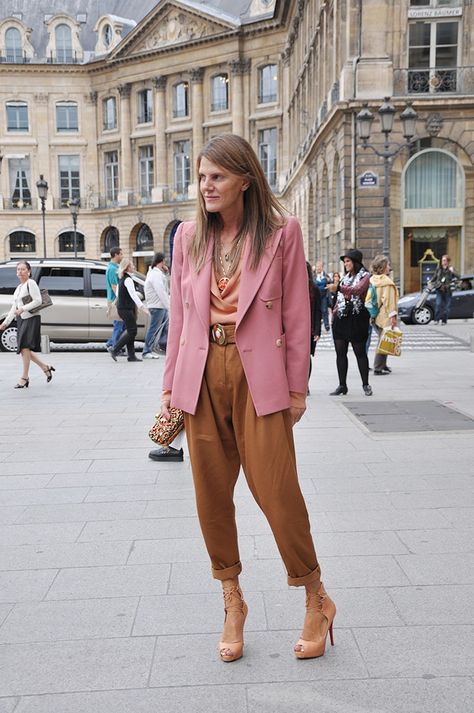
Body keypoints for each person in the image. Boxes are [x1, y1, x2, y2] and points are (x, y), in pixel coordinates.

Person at [161, 133, 335, 664]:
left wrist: (297, 386)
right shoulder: (187, 236)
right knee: (211, 498)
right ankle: (232, 601)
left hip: (259, 376)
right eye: (201, 176)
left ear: (244, 179)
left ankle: (315, 595)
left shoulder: (283, 234)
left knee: (278, 493)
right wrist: (169, 388)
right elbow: (178, 319)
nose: (205, 186)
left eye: (216, 176)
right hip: (200, 375)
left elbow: (297, 317)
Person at [0, 260, 55, 388]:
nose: (20, 271)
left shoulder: (31, 283)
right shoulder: (19, 288)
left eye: (23, 269)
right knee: (24, 349)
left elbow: (38, 301)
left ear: (29, 271)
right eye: (18, 269)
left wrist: (23, 308)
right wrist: (6, 322)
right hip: (22, 319)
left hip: (31, 318)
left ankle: (24, 377)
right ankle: (45, 367)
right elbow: (15, 306)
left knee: (24, 348)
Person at [327, 249, 372, 396]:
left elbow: (357, 290)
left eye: (348, 261)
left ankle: (365, 384)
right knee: (340, 353)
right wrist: (333, 317)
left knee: (360, 352)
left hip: (357, 318)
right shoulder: (345, 278)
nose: (345, 264)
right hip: (342, 318)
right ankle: (342, 385)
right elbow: (337, 300)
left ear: (356, 262)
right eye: (344, 261)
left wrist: (338, 288)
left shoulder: (365, 276)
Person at [107, 258, 149, 362]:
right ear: (127, 268)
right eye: (132, 265)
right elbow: (134, 295)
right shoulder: (128, 279)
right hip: (126, 309)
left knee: (130, 331)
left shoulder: (122, 278)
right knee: (132, 331)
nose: (134, 267)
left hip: (123, 308)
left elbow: (117, 294)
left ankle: (131, 356)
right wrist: (143, 308)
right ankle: (115, 349)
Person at [366, 255, 399, 375]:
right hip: (384, 315)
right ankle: (378, 368)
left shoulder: (373, 280)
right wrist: (393, 317)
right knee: (383, 340)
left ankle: (383, 365)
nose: (389, 267)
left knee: (384, 339)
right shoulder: (387, 283)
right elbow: (389, 301)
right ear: (384, 267)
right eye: (388, 265)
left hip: (374, 314)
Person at [142, 252, 170, 360]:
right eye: (164, 261)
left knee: (161, 330)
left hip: (159, 305)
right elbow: (161, 291)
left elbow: (164, 288)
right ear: (162, 261)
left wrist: (167, 273)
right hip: (157, 306)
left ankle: (157, 348)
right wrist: (169, 306)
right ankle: (146, 351)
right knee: (154, 329)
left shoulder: (156, 273)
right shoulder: (155, 274)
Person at [105, 246, 125, 351]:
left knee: (120, 325)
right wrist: (122, 299)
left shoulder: (113, 267)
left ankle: (111, 343)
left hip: (113, 300)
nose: (122, 256)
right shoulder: (112, 269)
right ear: (116, 255)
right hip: (115, 300)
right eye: (121, 254)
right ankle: (114, 347)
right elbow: (114, 287)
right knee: (119, 325)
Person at [306, 261, 322, 393]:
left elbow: (318, 311)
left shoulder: (314, 288)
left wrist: (317, 331)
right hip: (294, 328)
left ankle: (305, 384)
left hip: (309, 328)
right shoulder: (291, 286)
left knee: (306, 357)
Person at [431, 254, 459, 325]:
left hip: (448, 290)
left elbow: (458, 277)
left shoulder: (451, 268)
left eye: (444, 260)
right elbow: (434, 277)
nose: (442, 261)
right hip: (439, 289)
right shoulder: (439, 268)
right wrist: (430, 282)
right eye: (442, 260)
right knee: (438, 304)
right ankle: (436, 320)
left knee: (446, 307)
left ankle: (444, 321)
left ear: (447, 261)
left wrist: (453, 272)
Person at [314, 261, 330, 331]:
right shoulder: (313, 276)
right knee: (317, 310)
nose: (318, 268)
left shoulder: (326, 276)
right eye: (317, 266)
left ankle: (326, 324)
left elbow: (329, 283)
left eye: (319, 266)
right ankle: (317, 324)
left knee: (324, 310)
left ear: (322, 267)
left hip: (324, 295)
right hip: (316, 296)